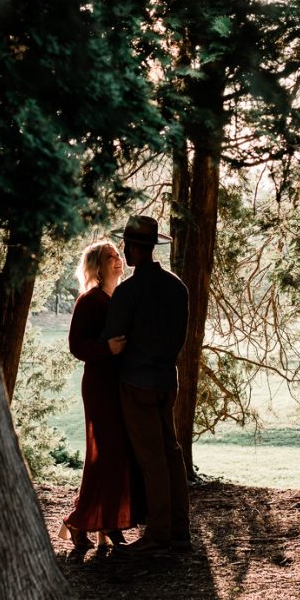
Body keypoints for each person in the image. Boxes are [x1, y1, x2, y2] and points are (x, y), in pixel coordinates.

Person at [103, 215, 191, 554]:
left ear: (132, 248)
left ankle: (159, 534)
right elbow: (179, 338)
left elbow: (112, 337)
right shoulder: (176, 287)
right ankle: (180, 530)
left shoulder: (128, 292)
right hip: (167, 381)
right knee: (172, 453)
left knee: (152, 460)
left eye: (126, 245)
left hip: (136, 383)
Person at [58, 239, 144, 550]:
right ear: (98, 265)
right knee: (105, 454)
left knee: (116, 455)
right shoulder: (90, 300)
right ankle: (85, 521)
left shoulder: (119, 297)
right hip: (99, 386)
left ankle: (102, 522)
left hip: (120, 384)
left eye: (118, 256)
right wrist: (106, 349)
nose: (118, 261)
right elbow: (76, 345)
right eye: (110, 257)